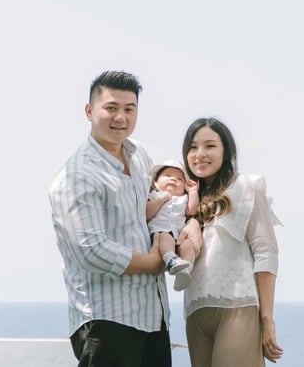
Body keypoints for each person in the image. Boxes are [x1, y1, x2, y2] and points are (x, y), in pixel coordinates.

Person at [49, 70, 200, 367]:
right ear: (89, 111)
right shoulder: (78, 175)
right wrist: (156, 263)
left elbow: (152, 212)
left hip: (153, 317)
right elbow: (91, 251)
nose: (121, 117)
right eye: (111, 108)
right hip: (107, 321)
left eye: (129, 109)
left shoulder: (139, 155)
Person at [181, 117, 283, 367]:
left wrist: (267, 319)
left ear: (226, 152)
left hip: (237, 307)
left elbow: (265, 252)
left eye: (210, 146)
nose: (200, 154)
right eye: (193, 147)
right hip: (195, 312)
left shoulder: (247, 186)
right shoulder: (184, 200)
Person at [146, 159, 200, 291]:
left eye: (179, 179)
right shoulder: (154, 195)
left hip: (179, 235)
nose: (173, 180)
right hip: (160, 232)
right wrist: (161, 199)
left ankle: (185, 270)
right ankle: (171, 260)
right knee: (165, 236)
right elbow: (147, 213)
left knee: (189, 244)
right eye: (168, 176)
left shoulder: (183, 198)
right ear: (155, 182)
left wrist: (192, 192)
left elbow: (192, 210)